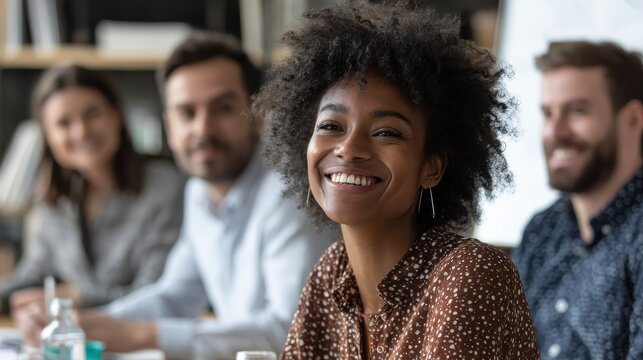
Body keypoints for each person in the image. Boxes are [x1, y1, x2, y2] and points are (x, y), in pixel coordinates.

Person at [16, 32, 334, 359]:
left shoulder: (291, 192)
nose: (202, 129)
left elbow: (294, 330)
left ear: (259, 117)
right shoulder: (199, 191)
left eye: (223, 108)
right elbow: (174, 294)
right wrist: (82, 323)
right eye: (186, 113)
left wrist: (145, 335)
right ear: (169, 128)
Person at [252, 2, 539, 359]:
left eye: (387, 132)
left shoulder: (469, 275)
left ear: (431, 168)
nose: (350, 148)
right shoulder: (332, 273)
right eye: (330, 126)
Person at [0, 66, 183, 314]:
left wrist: (79, 298)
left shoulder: (164, 188)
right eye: (64, 123)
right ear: (48, 135)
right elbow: (33, 273)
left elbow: (158, 294)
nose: (81, 131)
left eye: (92, 114)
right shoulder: (55, 198)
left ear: (117, 114)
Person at [512, 41, 643, 359]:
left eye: (577, 111)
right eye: (547, 113)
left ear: (633, 120)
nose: (555, 132)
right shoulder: (541, 230)